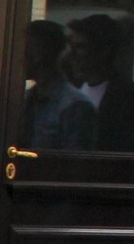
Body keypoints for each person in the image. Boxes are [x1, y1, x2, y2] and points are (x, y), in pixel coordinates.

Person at [63, 12, 134, 152]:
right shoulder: (72, 88)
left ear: (104, 50)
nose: (71, 55)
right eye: (71, 46)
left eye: (80, 47)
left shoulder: (125, 96)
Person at [20, 18, 94, 151]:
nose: (18, 59)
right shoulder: (30, 99)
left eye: (25, 51)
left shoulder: (75, 106)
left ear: (38, 55)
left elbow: (74, 164)